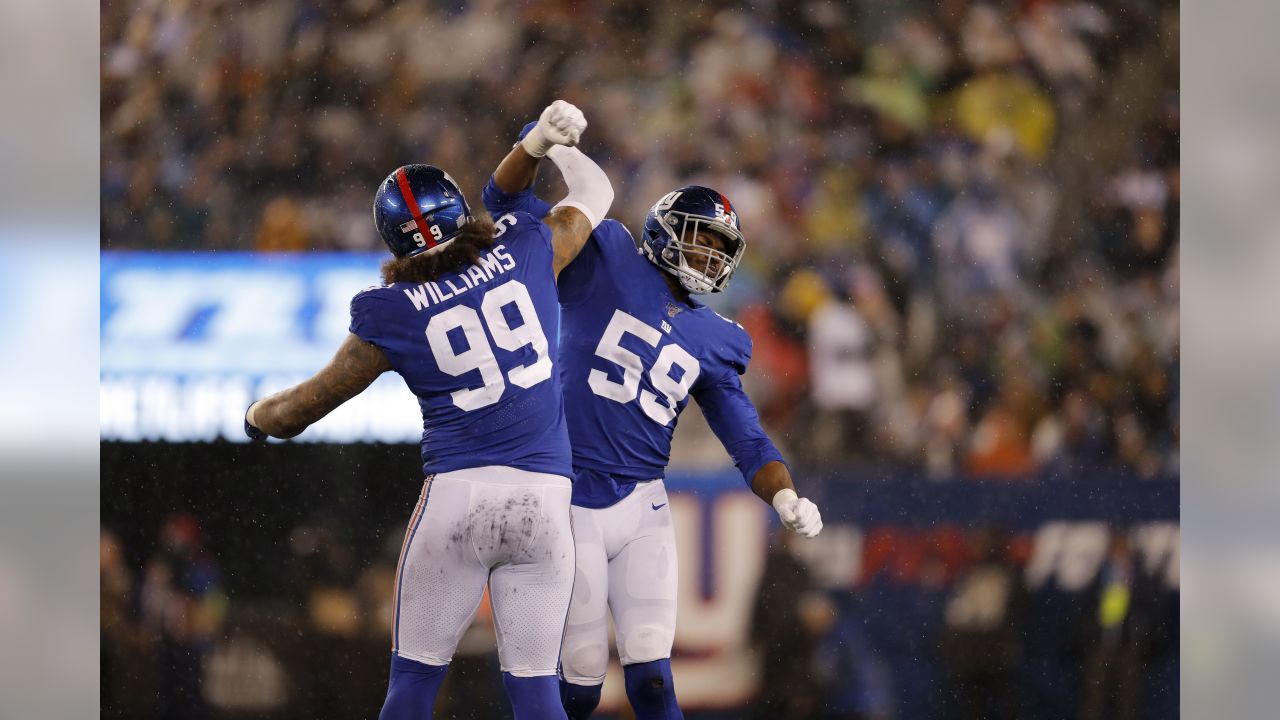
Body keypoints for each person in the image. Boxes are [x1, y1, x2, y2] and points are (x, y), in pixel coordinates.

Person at [243, 100, 614, 720]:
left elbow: (300, 411)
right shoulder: (526, 249)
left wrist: (256, 416)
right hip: (547, 501)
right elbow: (593, 195)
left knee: (412, 690)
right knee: (536, 696)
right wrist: (546, 144)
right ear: (460, 211)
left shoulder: (389, 310)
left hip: (459, 496)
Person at [483, 122, 825, 719]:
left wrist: (783, 490)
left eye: (719, 250)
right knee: (582, 684)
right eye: (700, 242)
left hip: (643, 503)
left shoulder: (716, 338)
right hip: (570, 496)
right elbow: (505, 203)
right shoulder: (607, 257)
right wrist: (535, 145)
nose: (709, 257)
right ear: (665, 233)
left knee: (654, 681)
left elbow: (743, 432)